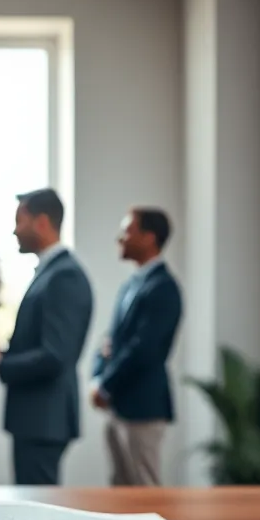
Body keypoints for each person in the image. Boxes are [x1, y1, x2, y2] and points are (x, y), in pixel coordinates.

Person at [0, 188, 94, 485]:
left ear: (41, 222)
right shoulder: (51, 273)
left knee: (38, 513)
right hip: (38, 417)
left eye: (20, 220)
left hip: (44, 417)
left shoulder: (64, 276)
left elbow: (55, 355)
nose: (15, 230)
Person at [91, 208, 183, 486]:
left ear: (149, 237)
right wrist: (99, 377)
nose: (120, 238)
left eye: (127, 231)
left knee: (145, 486)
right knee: (121, 486)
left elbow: (143, 349)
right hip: (120, 405)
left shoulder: (163, 287)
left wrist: (106, 385)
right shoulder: (132, 284)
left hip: (143, 406)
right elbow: (110, 342)